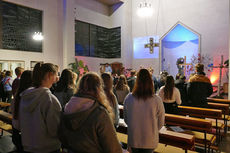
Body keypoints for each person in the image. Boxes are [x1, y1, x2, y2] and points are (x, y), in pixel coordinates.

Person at [59, 72, 122, 153]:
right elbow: (113, 148)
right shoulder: (99, 113)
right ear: (99, 88)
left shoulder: (66, 109)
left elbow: (61, 137)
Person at [19, 63, 62, 153]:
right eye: (56, 73)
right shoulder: (49, 99)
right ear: (50, 74)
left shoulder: (25, 95)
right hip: (47, 148)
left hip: (28, 146)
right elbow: (54, 129)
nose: (58, 76)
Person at [124, 69, 165, 153]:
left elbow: (126, 119)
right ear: (150, 82)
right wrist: (152, 129)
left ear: (137, 81)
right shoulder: (156, 100)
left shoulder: (129, 98)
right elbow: (161, 122)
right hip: (150, 139)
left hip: (134, 138)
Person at [11, 70, 32, 152]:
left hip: (16, 131)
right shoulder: (29, 95)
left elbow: (13, 111)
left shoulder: (17, 93)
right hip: (24, 134)